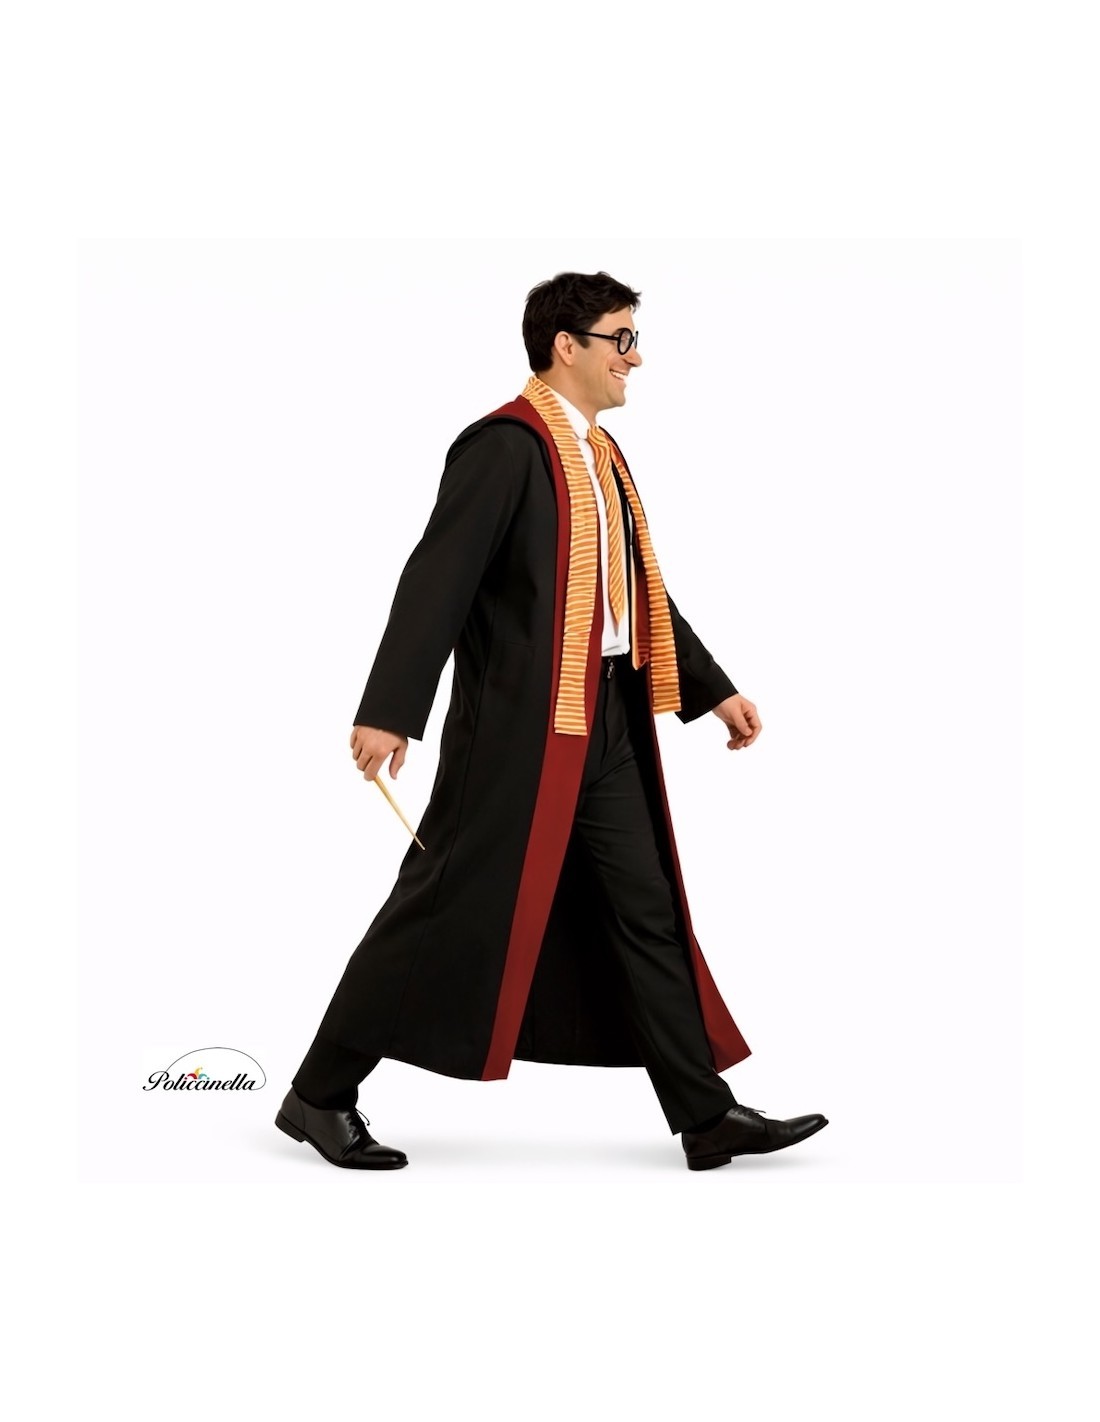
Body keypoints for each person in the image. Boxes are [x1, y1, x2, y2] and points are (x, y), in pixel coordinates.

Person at [275, 270, 828, 1172]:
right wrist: (389, 711)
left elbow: (636, 597)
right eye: (621, 339)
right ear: (566, 346)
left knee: (647, 911)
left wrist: (712, 690)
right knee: (440, 908)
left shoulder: (602, 458)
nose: (635, 358)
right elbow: (437, 580)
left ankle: (705, 1115)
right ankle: (319, 1094)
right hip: (518, 737)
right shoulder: (505, 448)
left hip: (607, 722)